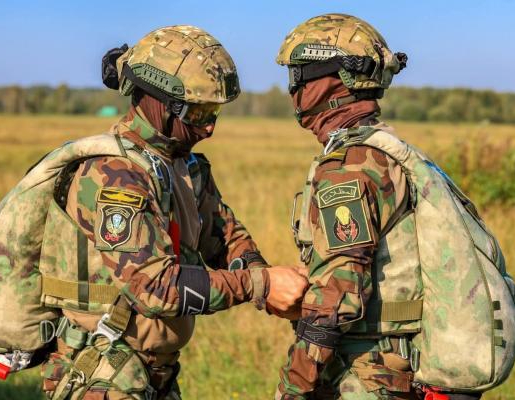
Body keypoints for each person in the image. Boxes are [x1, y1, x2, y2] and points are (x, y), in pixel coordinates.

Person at [39, 25, 308, 399]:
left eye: (214, 111)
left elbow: (223, 236)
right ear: (161, 104)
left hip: (150, 370)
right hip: (103, 370)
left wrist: (271, 283)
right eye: (199, 113)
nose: (210, 127)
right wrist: (259, 285)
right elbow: (154, 288)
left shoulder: (183, 165)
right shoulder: (114, 176)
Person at [273, 14, 421, 400]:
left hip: (367, 373)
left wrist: (295, 384)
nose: (293, 90)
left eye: (298, 77)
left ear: (328, 83)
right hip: (396, 364)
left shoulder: (350, 165)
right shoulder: (388, 149)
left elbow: (337, 296)